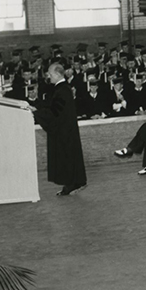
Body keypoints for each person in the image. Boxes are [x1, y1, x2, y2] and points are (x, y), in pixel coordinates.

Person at [31, 62, 87, 196]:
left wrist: (37, 113)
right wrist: (38, 108)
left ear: (57, 74)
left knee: (67, 158)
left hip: (64, 132)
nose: (48, 77)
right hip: (65, 130)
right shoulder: (62, 89)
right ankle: (73, 183)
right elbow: (53, 108)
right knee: (68, 158)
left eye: (50, 74)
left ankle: (72, 184)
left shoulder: (62, 90)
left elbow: (55, 112)